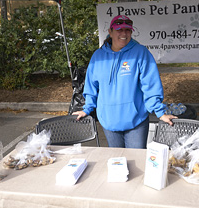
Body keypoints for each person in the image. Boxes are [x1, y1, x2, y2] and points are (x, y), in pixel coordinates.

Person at [73, 15, 177, 148]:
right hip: (108, 120)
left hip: (136, 120)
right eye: (119, 30)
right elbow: (91, 86)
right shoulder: (98, 56)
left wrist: (160, 112)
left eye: (127, 30)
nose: (124, 33)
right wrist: (87, 109)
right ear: (110, 32)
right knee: (118, 162)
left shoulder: (140, 53)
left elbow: (150, 84)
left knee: (137, 163)